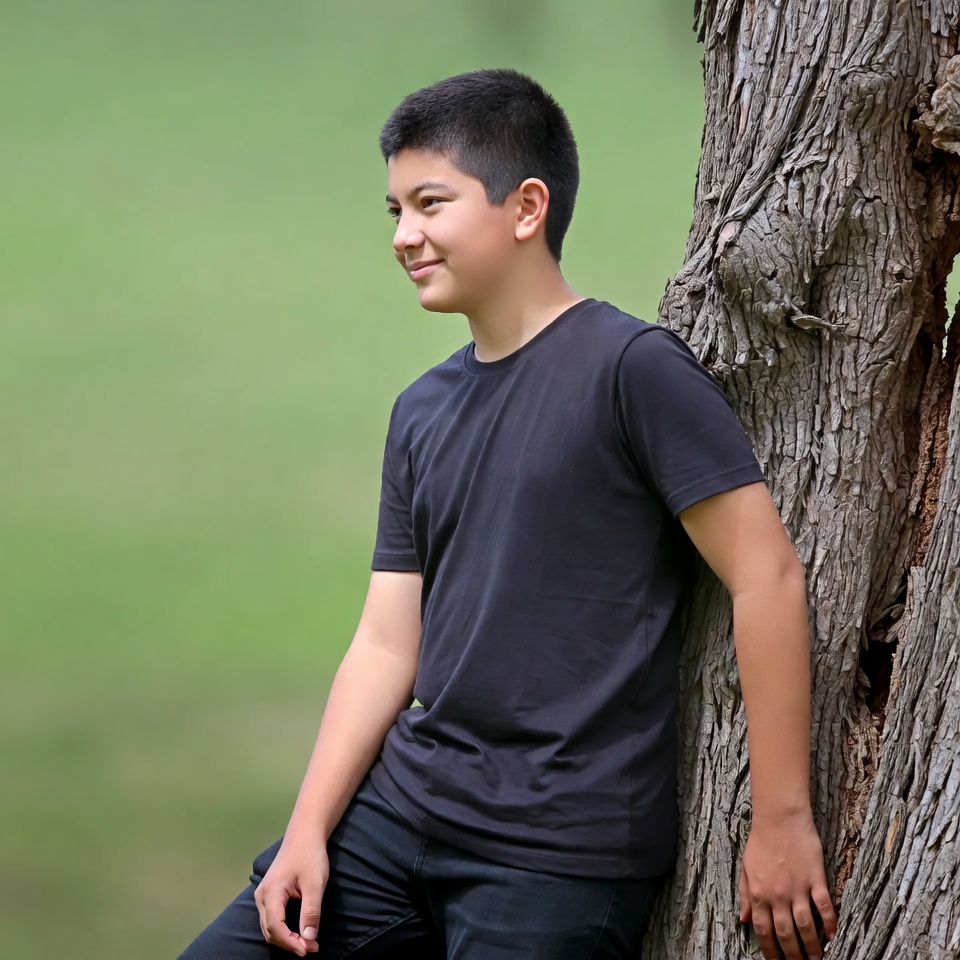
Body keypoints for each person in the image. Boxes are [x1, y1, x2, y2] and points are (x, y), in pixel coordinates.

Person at [178, 68, 838, 960]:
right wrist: (306, 834)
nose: (406, 235)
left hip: (557, 858)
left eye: (431, 203)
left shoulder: (631, 369)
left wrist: (781, 820)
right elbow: (385, 645)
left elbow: (767, 576)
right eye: (394, 212)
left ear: (526, 208)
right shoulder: (420, 410)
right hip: (399, 816)